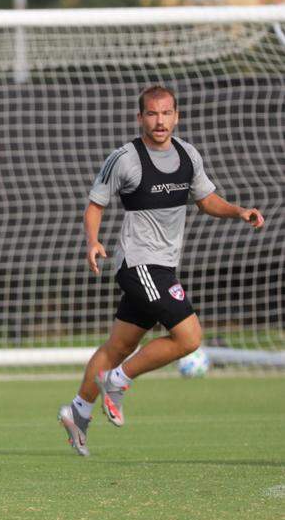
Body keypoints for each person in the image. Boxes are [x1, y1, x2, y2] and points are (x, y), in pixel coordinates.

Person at [59, 86, 264, 456]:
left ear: (176, 116)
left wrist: (238, 211)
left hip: (164, 266)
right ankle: (118, 381)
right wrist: (93, 241)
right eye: (152, 114)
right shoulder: (124, 159)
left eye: (166, 113)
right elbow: (94, 205)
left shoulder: (188, 155)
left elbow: (206, 201)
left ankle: (78, 411)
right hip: (138, 264)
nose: (159, 121)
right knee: (189, 338)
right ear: (140, 118)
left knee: (119, 345)